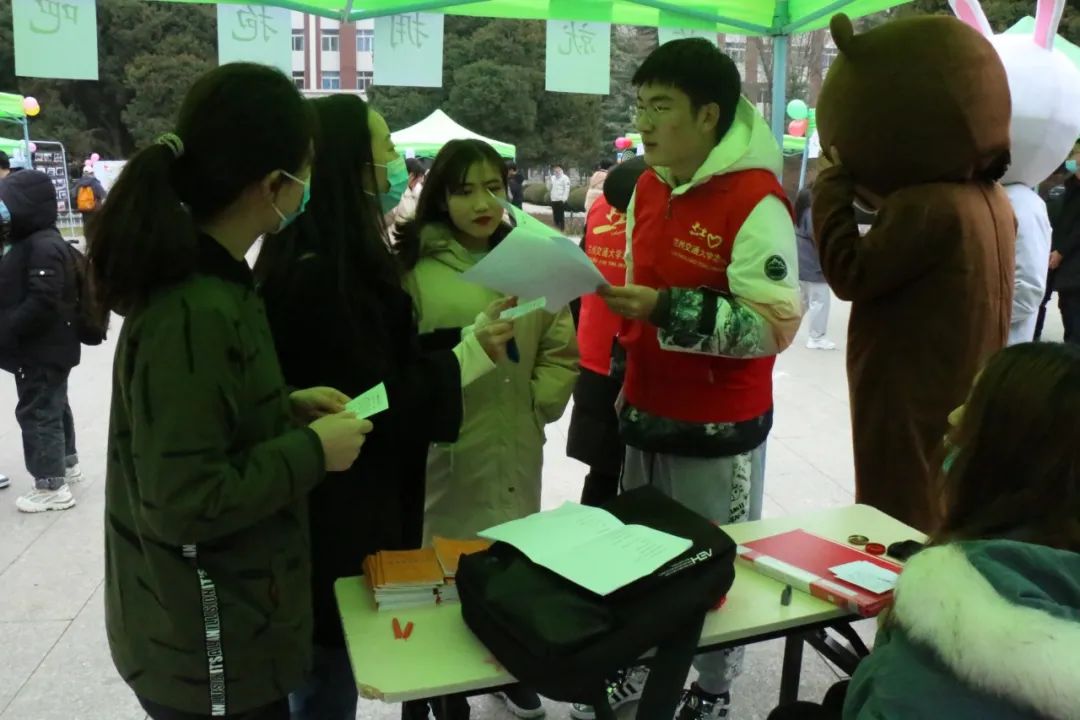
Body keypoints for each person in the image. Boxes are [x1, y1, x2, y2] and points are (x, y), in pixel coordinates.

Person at [88, 63, 372, 720]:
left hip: (226, 621)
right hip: (207, 642)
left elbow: (201, 420)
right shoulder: (195, 307)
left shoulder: (217, 282)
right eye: (303, 172)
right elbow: (183, 500)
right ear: (272, 185)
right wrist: (312, 451)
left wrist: (281, 404)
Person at [254, 95, 513, 720]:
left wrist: (459, 348)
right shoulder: (324, 272)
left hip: (346, 495)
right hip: (338, 505)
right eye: (386, 147)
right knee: (327, 666)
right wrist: (464, 356)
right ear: (352, 165)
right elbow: (371, 396)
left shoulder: (334, 253)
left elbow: (376, 363)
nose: (397, 161)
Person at [592, 39, 802, 720]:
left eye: (662, 107)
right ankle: (641, 663)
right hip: (645, 410)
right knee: (644, 557)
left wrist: (666, 309)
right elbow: (638, 290)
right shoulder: (648, 187)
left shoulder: (756, 200)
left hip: (718, 429)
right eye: (640, 106)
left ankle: (713, 687)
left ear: (709, 114)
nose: (644, 123)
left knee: (711, 569)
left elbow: (774, 325)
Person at [397, 138, 579, 719]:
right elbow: (402, 368)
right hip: (449, 451)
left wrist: (537, 404)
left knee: (511, 564)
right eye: (464, 190)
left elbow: (560, 348)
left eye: (493, 187)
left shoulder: (531, 262)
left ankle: (509, 667)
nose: (482, 202)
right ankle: (439, 689)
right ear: (439, 197)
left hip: (516, 444)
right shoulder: (415, 273)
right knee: (445, 571)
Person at [813, 14, 1014, 532]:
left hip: (908, 388)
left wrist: (831, 187)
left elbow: (848, 272)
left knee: (898, 503)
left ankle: (897, 579)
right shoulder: (993, 200)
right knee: (947, 491)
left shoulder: (928, 206)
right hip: (962, 379)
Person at [0, 170, 84, 512]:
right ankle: (67, 462)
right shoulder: (38, 240)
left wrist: (9, 328)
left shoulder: (42, 246)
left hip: (41, 347)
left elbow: (43, 299)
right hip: (49, 347)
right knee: (53, 405)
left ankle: (50, 486)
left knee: (37, 412)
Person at [567, 158, 646, 509]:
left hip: (591, 356)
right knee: (636, 476)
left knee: (601, 471)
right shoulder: (657, 219)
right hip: (630, 363)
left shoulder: (600, 207)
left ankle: (590, 533)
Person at [795, 186, 835, 350]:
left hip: (802, 265)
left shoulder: (800, 213)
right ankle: (816, 338)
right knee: (820, 302)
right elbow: (819, 237)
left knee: (802, 301)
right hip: (814, 267)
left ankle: (783, 328)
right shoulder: (813, 213)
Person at [1050, 153, 1080, 344]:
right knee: (1068, 308)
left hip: (1073, 264)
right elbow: (1059, 168)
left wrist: (1061, 252)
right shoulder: (1072, 184)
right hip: (1067, 263)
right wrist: (1073, 163)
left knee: (1074, 316)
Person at [393, 157, 426, 224]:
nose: (420, 180)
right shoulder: (395, 192)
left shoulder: (418, 188)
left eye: (421, 176)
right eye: (418, 176)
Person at [549, 164, 572, 231]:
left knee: (560, 216)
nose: (556, 170)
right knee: (555, 216)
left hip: (560, 200)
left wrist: (564, 199)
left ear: (560, 169)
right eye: (555, 168)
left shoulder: (565, 178)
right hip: (553, 199)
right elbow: (549, 188)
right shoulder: (552, 178)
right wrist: (548, 182)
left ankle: (562, 229)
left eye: (557, 168)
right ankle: (556, 229)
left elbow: (567, 189)